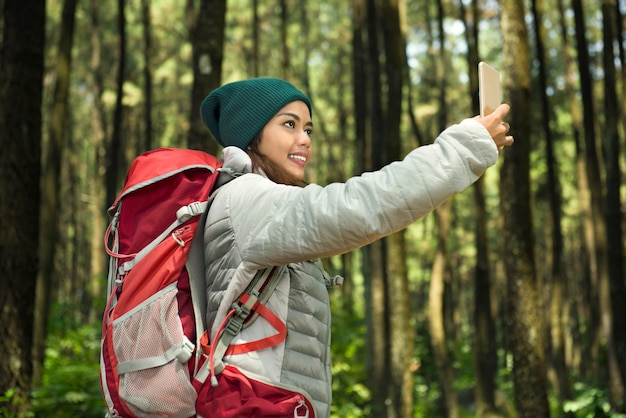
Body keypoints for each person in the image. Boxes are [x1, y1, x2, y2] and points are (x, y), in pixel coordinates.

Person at [198, 77, 513, 417]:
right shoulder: (246, 198)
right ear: (251, 133)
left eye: (309, 129)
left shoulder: (255, 200)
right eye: (289, 124)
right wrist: (464, 148)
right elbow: (359, 206)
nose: (304, 139)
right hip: (252, 404)